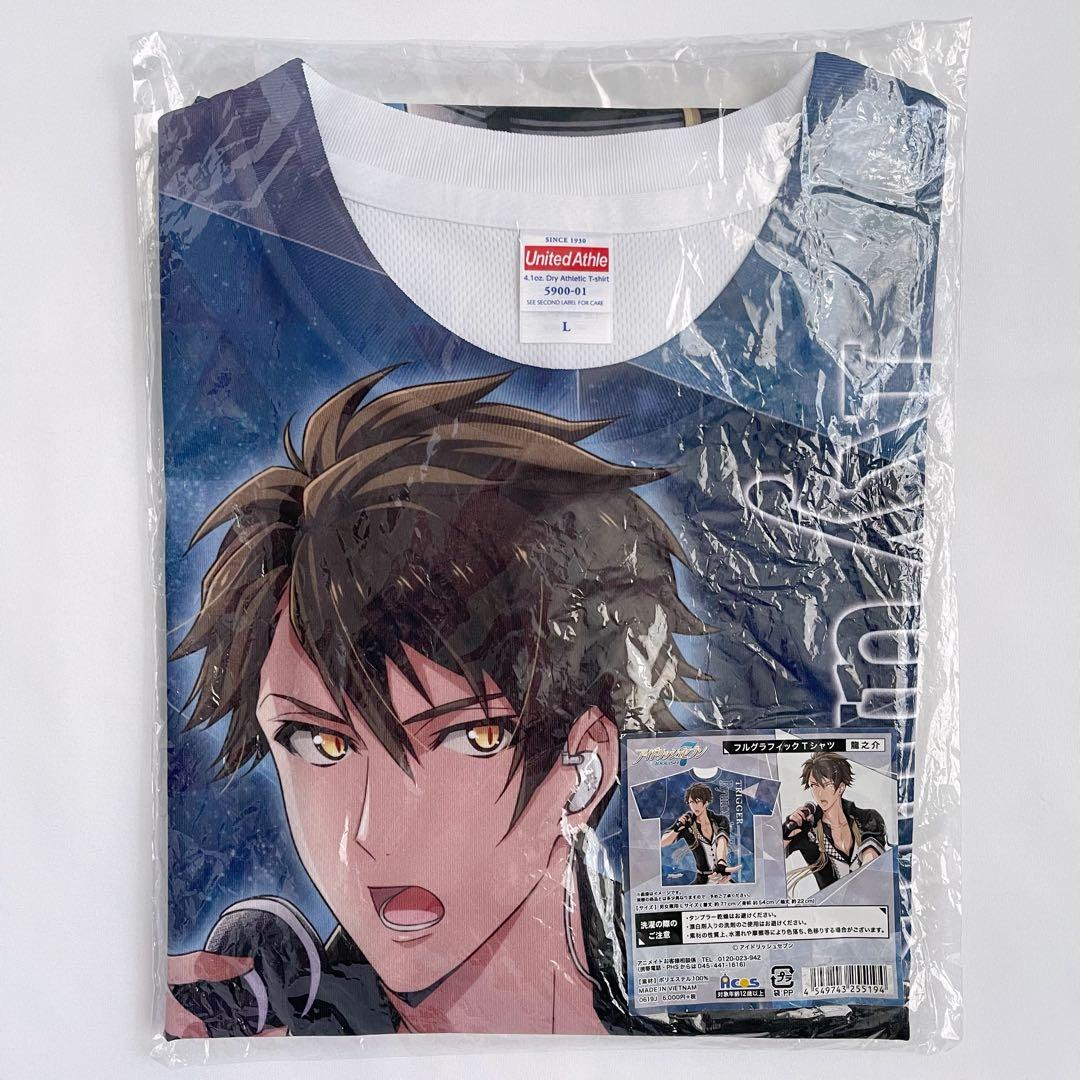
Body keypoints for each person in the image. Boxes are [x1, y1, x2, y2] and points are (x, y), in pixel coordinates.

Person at [165, 371, 712, 1037]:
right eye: (322, 743)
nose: (375, 833)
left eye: (470, 737)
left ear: (585, 766)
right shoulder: (281, 1043)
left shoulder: (721, 1005)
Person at [783, 752, 888, 896]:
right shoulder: (807, 831)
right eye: (814, 785)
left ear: (841, 788)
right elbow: (769, 856)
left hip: (872, 902)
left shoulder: (867, 819)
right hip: (829, 908)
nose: (819, 793)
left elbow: (870, 864)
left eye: (826, 785)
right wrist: (786, 831)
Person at [660, 783, 733, 884]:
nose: (694, 806)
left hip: (722, 876)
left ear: (706, 802)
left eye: (697, 801)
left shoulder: (720, 820)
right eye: (691, 802)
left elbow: (722, 841)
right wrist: (677, 828)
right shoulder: (687, 825)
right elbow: (662, 842)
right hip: (703, 880)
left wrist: (721, 862)